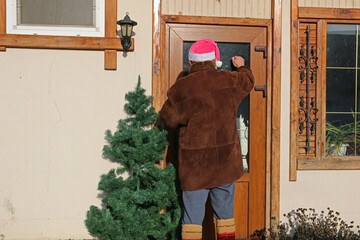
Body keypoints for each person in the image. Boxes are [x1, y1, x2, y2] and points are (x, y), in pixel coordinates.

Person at [159, 39, 254, 240]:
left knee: (192, 219)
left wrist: (181, 81)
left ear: (191, 63)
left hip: (195, 167)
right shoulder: (230, 80)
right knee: (225, 217)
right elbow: (248, 81)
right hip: (225, 163)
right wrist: (242, 66)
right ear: (215, 60)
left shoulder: (181, 88)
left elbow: (166, 121)